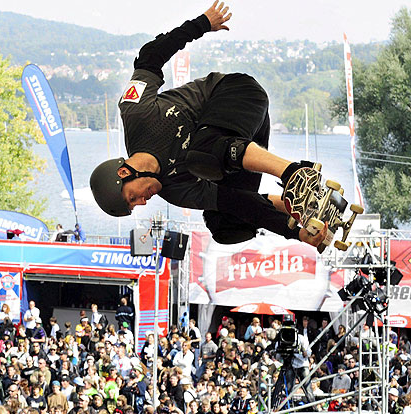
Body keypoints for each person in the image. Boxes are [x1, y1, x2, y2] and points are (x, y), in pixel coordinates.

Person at [89, 0, 328, 247]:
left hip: (238, 93)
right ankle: (305, 206)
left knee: (202, 155)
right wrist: (296, 233)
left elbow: (149, 57)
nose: (142, 202)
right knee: (225, 224)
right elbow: (236, 201)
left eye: (132, 197)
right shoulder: (176, 192)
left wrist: (202, 24)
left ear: (124, 173)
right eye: (135, 205)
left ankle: (293, 173)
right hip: (243, 141)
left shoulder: (136, 113)